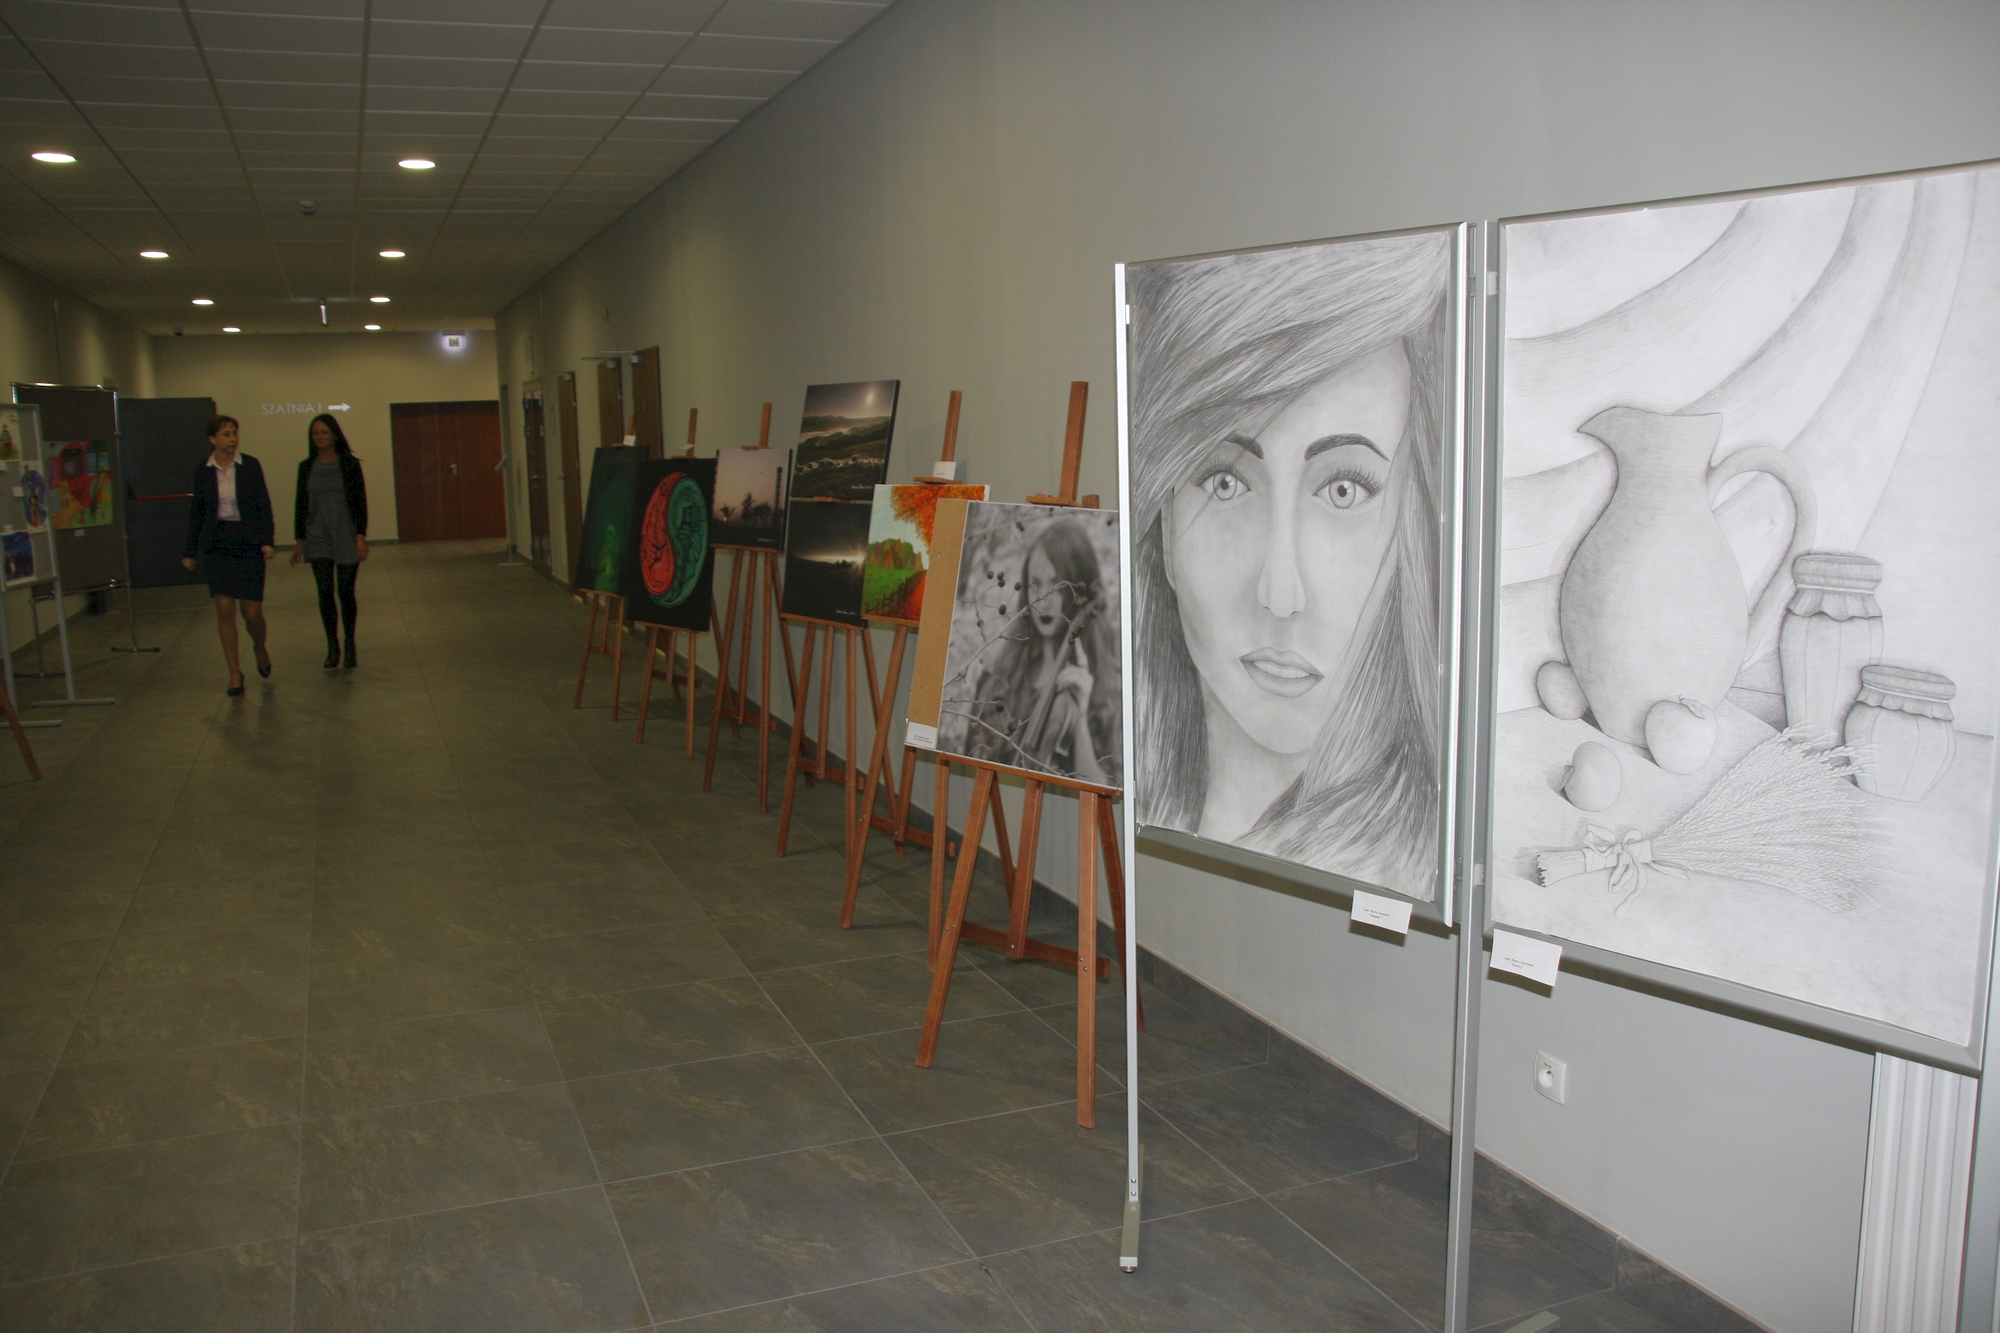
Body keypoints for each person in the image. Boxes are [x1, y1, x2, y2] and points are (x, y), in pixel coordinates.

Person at [1126, 231, 1449, 898]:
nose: (1280, 594)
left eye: (1344, 490)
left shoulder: (1416, 861)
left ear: (1416, 527)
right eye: (1225, 482)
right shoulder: (1139, 777)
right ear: (1161, 519)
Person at [949, 516, 1119, 787]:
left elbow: (1105, 787)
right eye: (1035, 584)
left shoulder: (1108, 683)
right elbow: (974, 755)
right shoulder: (1003, 673)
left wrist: (1079, 721)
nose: (1043, 601)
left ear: (1079, 590)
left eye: (1057, 585)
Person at [182, 414, 275, 696]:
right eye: (225, 434)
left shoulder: (250, 466)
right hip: (217, 543)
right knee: (224, 609)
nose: (232, 439)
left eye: (234, 433)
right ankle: (234, 673)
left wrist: (267, 540)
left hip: (247, 542)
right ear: (213, 439)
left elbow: (263, 505)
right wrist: (189, 551)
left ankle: (259, 645)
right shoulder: (203, 471)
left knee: (251, 612)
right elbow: (197, 512)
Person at [289, 412, 368, 668]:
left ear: (334, 435)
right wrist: (299, 540)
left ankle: (350, 643)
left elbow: (360, 501)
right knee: (325, 591)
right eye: (315, 433)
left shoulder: (349, 464)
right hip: (317, 534)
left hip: (345, 532)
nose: (319, 437)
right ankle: (332, 646)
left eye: (324, 432)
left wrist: (360, 536)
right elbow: (301, 504)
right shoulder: (306, 467)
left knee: (346, 591)